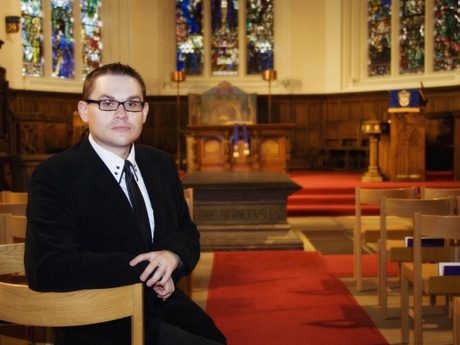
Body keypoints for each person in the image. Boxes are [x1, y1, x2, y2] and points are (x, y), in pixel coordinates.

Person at [24, 62, 227, 345]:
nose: (121, 113)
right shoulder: (56, 174)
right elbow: (47, 268)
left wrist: (172, 257)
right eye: (107, 103)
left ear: (144, 113)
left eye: (131, 104)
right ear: (85, 111)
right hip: (97, 317)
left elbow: (186, 231)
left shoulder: (159, 163)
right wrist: (149, 271)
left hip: (163, 306)